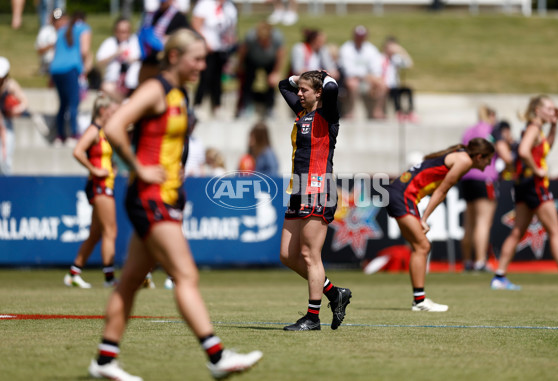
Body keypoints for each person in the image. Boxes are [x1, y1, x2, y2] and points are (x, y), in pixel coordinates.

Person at [89, 29, 262, 380]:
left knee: (130, 282)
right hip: (149, 198)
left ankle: (104, 361)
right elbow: (116, 125)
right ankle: (216, 355)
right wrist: (138, 167)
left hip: (165, 195)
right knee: (185, 274)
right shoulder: (155, 90)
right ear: (173, 57)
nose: (202, 65)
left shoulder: (180, 93)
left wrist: (173, 167)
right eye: (196, 58)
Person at [491, 95, 558, 291]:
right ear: (537, 110)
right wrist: (536, 169)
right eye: (548, 108)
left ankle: (499, 277)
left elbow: (545, 148)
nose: (552, 111)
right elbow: (523, 151)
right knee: (555, 231)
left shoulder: (535, 129)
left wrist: (554, 126)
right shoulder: (533, 128)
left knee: (517, 232)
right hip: (535, 185)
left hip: (524, 185)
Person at [278, 70, 352, 331]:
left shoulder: (327, 113)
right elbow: (281, 85)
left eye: (305, 90)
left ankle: (312, 318)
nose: (299, 93)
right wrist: (299, 79)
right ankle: (334, 294)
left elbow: (331, 89)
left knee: (310, 255)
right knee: (288, 255)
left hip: (318, 189)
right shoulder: (302, 113)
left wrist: (323, 75)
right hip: (298, 190)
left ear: (318, 92)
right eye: (299, 89)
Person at [385, 138, 495, 311]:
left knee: (419, 246)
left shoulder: (459, 156)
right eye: (489, 159)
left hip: (399, 194)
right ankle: (419, 301)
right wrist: (424, 218)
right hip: (402, 195)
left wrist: (422, 217)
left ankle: (419, 300)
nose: (489, 164)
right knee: (422, 246)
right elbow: (442, 191)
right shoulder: (464, 160)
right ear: (480, 156)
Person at [64, 94, 119, 289]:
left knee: (96, 234)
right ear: (103, 111)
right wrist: (94, 169)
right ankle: (109, 278)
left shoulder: (103, 131)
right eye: (112, 111)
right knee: (110, 231)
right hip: (100, 185)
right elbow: (77, 151)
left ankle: (73, 273)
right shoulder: (94, 130)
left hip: (105, 183)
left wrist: (111, 166)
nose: (115, 115)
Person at [459, 106, 513, 272]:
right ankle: (480, 261)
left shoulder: (468, 132)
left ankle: (467, 261)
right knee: (483, 222)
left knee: (469, 222)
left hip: (466, 177)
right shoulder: (492, 130)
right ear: (491, 115)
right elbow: (506, 156)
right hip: (485, 178)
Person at [49, 10, 92, 145]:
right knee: (73, 103)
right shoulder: (84, 28)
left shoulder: (60, 31)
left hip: (56, 70)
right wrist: (86, 65)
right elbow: (84, 51)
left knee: (63, 104)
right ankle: (74, 134)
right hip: (70, 69)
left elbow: (55, 53)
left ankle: (60, 135)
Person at [0, 57, 48, 174]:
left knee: (5, 160)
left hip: (6, 125)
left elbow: (25, 102)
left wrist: (15, 109)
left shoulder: (10, 85)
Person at [191, 0, 238, 115]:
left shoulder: (230, 8)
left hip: (222, 49)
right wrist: (205, 41)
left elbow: (232, 28)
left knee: (218, 78)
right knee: (205, 76)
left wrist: (231, 40)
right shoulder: (205, 5)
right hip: (207, 48)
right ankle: (198, 104)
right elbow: (196, 24)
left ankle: (217, 105)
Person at [235, 21, 285, 119]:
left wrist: (275, 72)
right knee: (247, 82)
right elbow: (243, 52)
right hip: (252, 60)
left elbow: (280, 54)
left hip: (270, 61)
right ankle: (245, 107)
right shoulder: (250, 37)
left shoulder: (277, 37)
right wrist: (240, 66)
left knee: (271, 84)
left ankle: (270, 108)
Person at [338, 25, 386, 120]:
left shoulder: (371, 49)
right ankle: (351, 111)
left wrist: (373, 78)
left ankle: (377, 111)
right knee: (352, 84)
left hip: (367, 79)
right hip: (353, 79)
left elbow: (376, 67)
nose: (360, 38)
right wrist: (367, 76)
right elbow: (349, 70)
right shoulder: (346, 48)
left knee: (382, 84)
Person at [137, 0, 191, 84]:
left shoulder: (179, 17)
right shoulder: (152, 15)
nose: (163, 3)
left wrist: (171, 39)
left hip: (166, 63)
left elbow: (186, 37)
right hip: (150, 60)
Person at [96, 17, 142, 102]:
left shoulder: (135, 41)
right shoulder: (109, 42)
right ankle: (125, 104)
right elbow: (99, 63)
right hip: (114, 83)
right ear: (115, 31)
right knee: (105, 87)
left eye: (125, 31)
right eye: (120, 31)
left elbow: (142, 57)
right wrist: (115, 54)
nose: (122, 34)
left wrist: (132, 59)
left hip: (133, 82)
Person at [381, 36, 416, 122]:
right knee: (394, 91)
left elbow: (409, 64)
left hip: (395, 84)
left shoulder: (396, 58)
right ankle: (398, 112)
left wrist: (401, 51)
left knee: (408, 90)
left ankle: (410, 112)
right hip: (384, 84)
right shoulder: (380, 58)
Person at [35, 8, 66, 77]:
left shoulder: (68, 32)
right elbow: (39, 50)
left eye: (62, 19)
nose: (60, 22)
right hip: (49, 63)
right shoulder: (45, 31)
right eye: (57, 20)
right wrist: (52, 45)